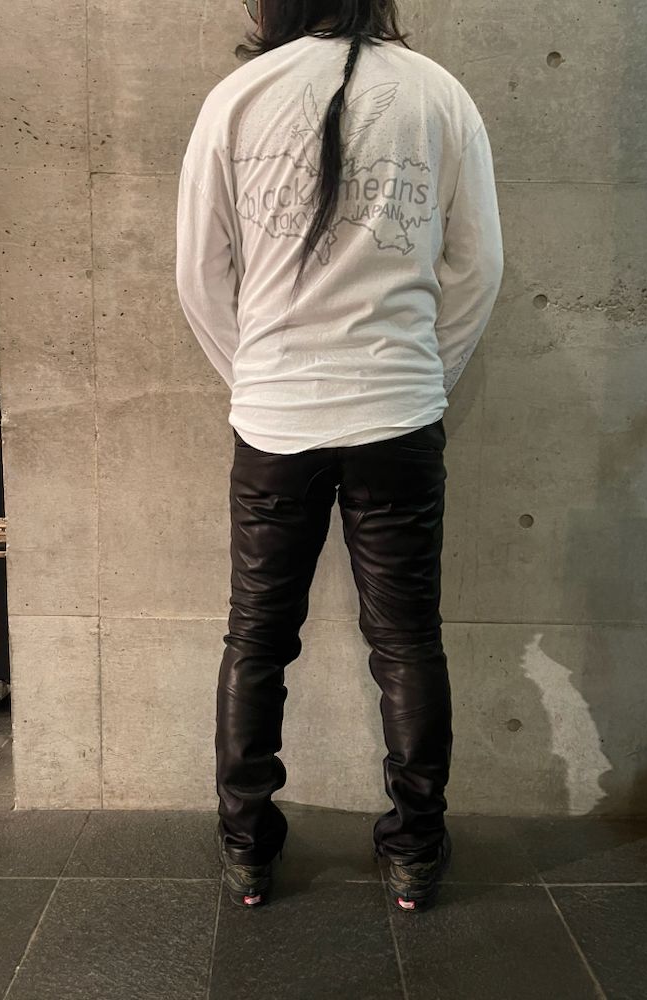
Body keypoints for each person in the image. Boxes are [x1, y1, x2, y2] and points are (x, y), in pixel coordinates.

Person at [175, 0, 504, 911]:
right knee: (407, 639)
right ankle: (415, 851)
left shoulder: (239, 98)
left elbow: (200, 273)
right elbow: (478, 269)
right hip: (399, 416)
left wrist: (257, 378)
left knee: (256, 638)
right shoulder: (438, 95)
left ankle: (247, 849)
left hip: (273, 420)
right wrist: (421, 376)